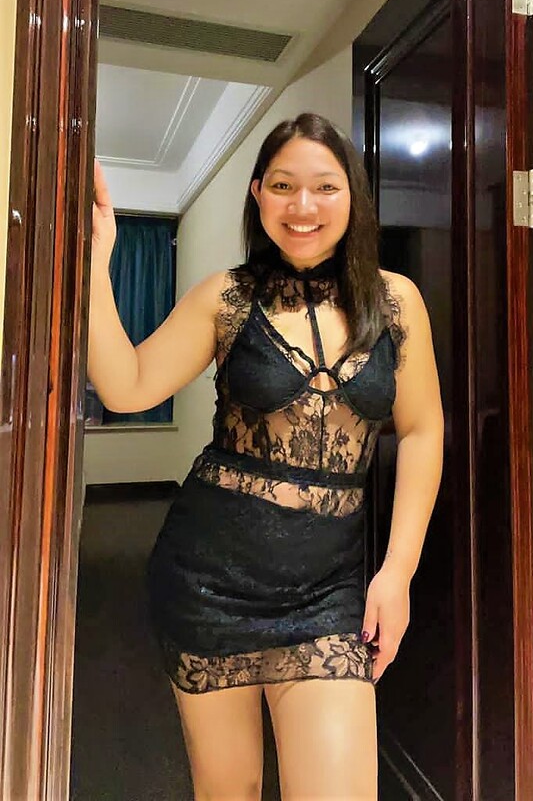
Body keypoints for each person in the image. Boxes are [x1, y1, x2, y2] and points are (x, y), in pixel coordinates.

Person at [88, 112, 443, 801]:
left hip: (326, 592)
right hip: (208, 583)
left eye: (325, 186)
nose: (302, 205)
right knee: (232, 791)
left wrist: (397, 572)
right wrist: (99, 264)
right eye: (282, 185)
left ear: (353, 195)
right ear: (257, 194)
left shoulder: (396, 302)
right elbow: (127, 387)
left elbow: (423, 429)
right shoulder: (227, 298)